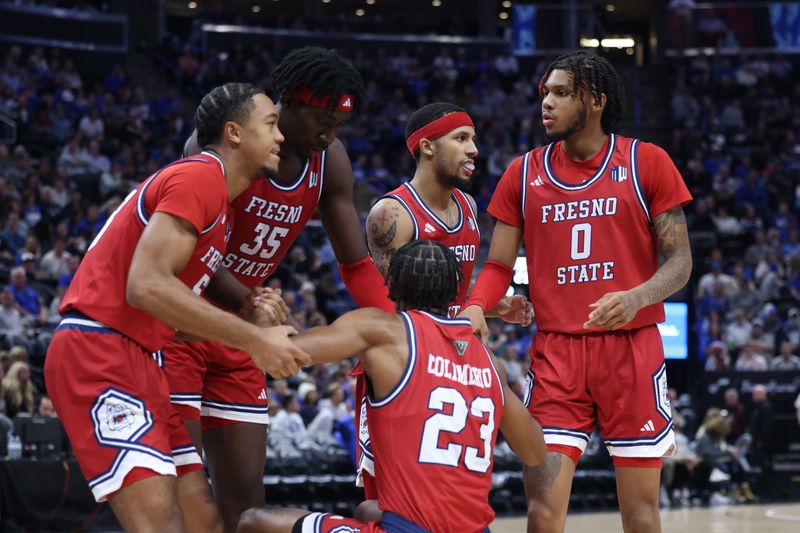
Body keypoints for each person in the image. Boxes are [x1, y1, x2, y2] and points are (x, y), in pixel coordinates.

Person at [43, 82, 309, 533]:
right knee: (161, 525)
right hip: (100, 350)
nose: (281, 135)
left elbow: (171, 318)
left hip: (143, 356)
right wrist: (254, 339)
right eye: (269, 124)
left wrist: (246, 317)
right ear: (234, 133)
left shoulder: (220, 208)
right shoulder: (199, 176)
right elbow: (144, 286)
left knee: (203, 521)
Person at [459, 52, 693, 533]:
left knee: (641, 515)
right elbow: (499, 264)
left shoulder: (645, 160)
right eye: (545, 92)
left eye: (561, 93)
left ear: (596, 100)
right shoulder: (523, 174)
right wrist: (478, 306)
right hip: (558, 355)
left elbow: (681, 262)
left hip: (632, 349)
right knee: (543, 513)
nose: (546, 102)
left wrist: (636, 297)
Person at [170, 47, 393, 532]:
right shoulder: (219, 145)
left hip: (242, 336)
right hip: (182, 323)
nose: (328, 134)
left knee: (245, 503)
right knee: (181, 488)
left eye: (338, 124)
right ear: (285, 102)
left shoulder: (328, 159)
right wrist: (248, 302)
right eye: (320, 120)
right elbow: (192, 252)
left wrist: (403, 326)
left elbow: (355, 263)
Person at [239, 240, 547, 533]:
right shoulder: (488, 360)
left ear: (392, 286)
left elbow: (286, 353)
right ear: (455, 294)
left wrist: (265, 320)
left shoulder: (382, 329)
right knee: (368, 510)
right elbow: (535, 452)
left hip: (411, 530)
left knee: (255, 521)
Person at [356, 101, 533, 518]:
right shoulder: (393, 213)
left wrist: (491, 307)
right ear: (427, 147)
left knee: (449, 500)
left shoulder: (468, 209)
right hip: (407, 366)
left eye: (473, 138)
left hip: (453, 364)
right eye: (461, 138)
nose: (474, 149)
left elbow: (441, 298)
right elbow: (397, 310)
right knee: (389, 503)